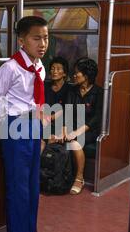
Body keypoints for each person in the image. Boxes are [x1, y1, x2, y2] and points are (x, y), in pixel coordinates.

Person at [0, 16, 51, 232]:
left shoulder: (39, 67)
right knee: (18, 188)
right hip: (15, 127)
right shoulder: (10, 68)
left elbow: (37, 101)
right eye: (37, 38)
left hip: (33, 125)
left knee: (31, 184)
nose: (43, 43)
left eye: (46, 37)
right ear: (22, 40)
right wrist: (11, 127)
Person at [63, 58, 103, 195]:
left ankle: (79, 178)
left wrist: (75, 132)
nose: (74, 76)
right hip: (72, 126)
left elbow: (96, 119)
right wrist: (64, 129)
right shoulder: (72, 90)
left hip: (89, 130)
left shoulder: (98, 93)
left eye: (77, 73)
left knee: (75, 142)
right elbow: (67, 112)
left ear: (86, 75)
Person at [41, 56, 71, 153]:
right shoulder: (45, 86)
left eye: (58, 69)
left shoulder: (69, 89)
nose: (54, 71)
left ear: (65, 73)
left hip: (60, 124)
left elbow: (66, 111)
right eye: (53, 69)